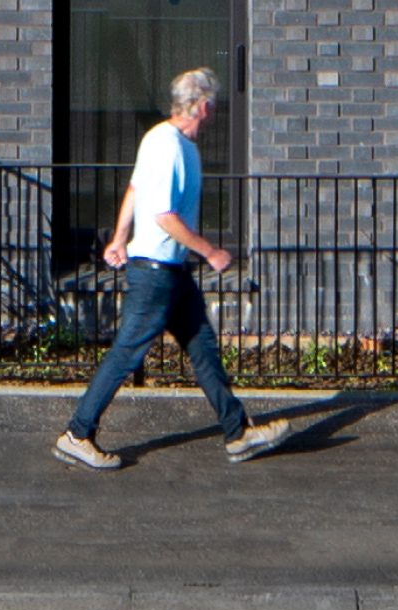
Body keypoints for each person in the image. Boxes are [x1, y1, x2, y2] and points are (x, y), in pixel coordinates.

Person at [52, 70, 296, 469]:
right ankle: (77, 434)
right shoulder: (168, 146)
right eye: (213, 106)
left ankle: (238, 433)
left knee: (203, 349)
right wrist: (210, 251)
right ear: (203, 106)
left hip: (172, 272)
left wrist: (118, 238)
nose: (214, 114)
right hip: (155, 272)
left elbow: (134, 189)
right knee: (126, 355)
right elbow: (164, 215)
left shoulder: (172, 142)